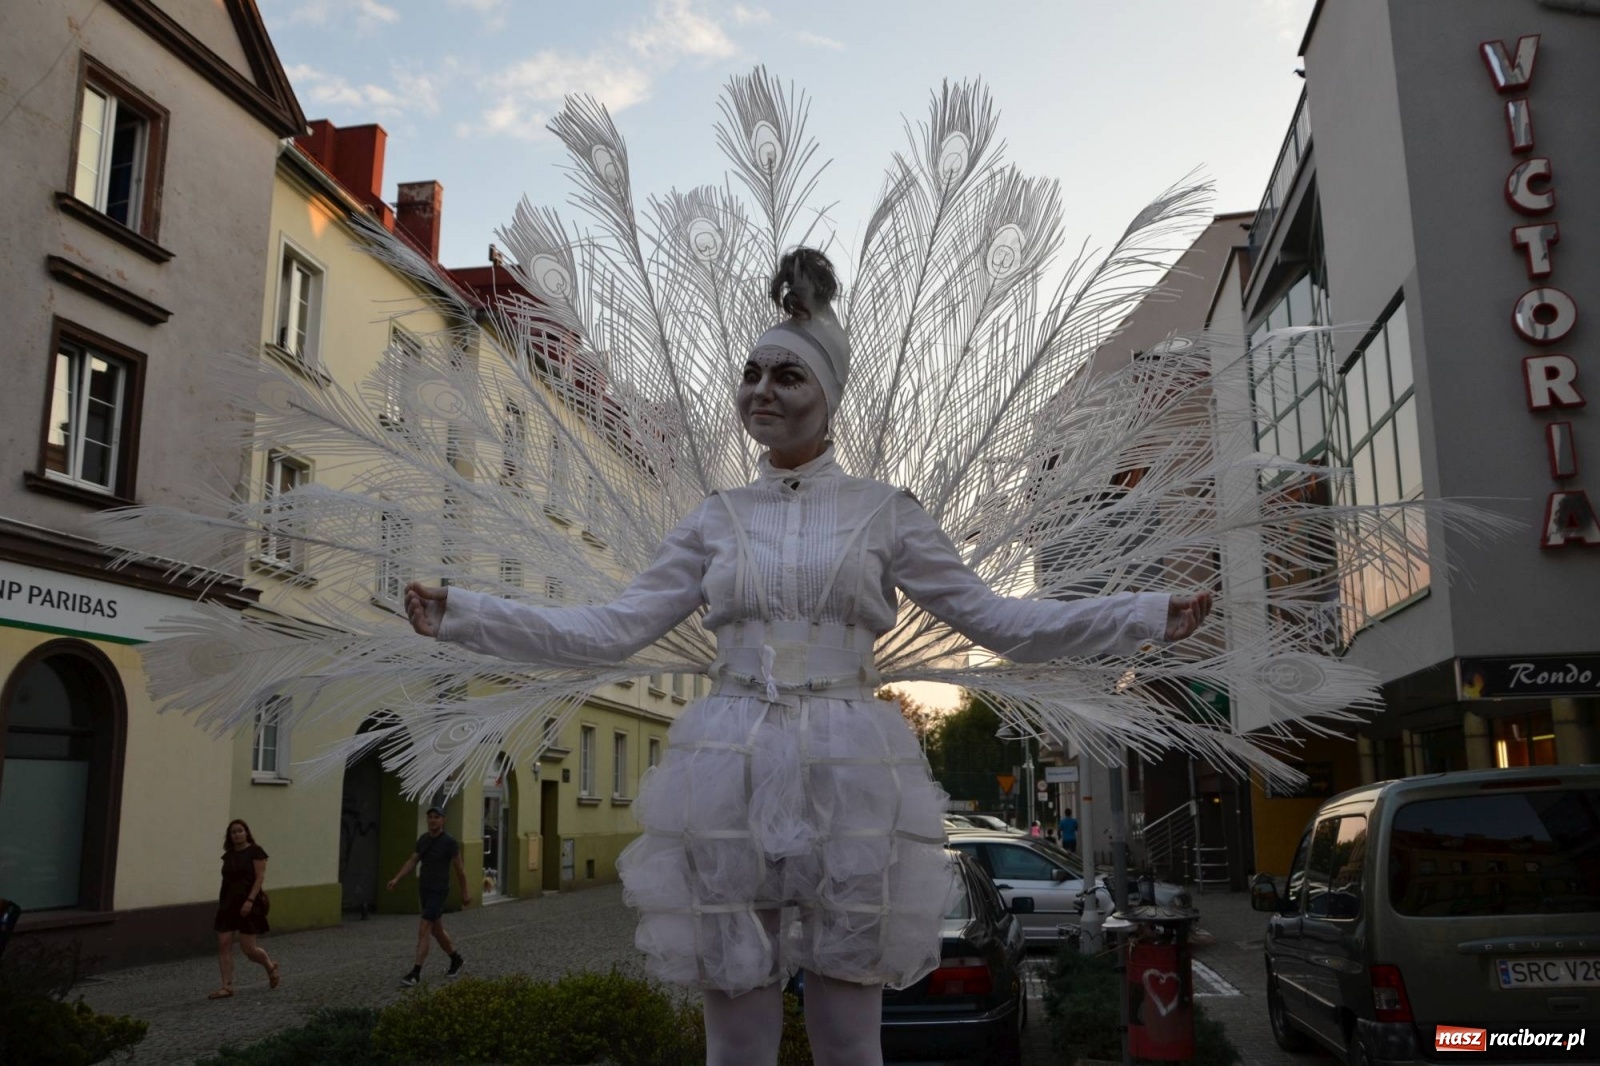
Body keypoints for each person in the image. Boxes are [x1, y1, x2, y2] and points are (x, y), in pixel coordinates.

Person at [404, 249, 1212, 1065]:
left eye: (786, 376)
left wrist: (1140, 613)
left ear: (828, 397)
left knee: (849, 1036)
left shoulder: (885, 513)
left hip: (848, 770)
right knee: (737, 1037)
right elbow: (608, 631)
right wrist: (467, 615)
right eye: (751, 373)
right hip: (727, 769)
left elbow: (1001, 624)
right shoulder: (715, 517)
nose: (760, 390)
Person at [387, 805, 471, 986]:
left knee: (424, 926)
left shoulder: (449, 842)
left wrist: (465, 891)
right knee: (436, 930)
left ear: (443, 820)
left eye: (436, 817)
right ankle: (456, 959)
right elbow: (413, 860)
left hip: (439, 890)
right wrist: (397, 878)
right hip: (424, 889)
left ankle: (415, 973)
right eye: (430, 817)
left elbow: (460, 870)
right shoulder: (424, 840)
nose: (433, 820)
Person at [210, 820, 278, 999]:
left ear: (246, 833)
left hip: (248, 904)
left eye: (240, 831)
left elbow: (259, 878)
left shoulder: (256, 852)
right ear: (229, 836)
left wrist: (250, 900)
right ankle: (227, 986)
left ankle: (269, 966)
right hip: (228, 905)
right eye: (233, 832)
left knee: (249, 950)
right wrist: (223, 902)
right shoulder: (229, 855)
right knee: (224, 944)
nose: (237, 834)